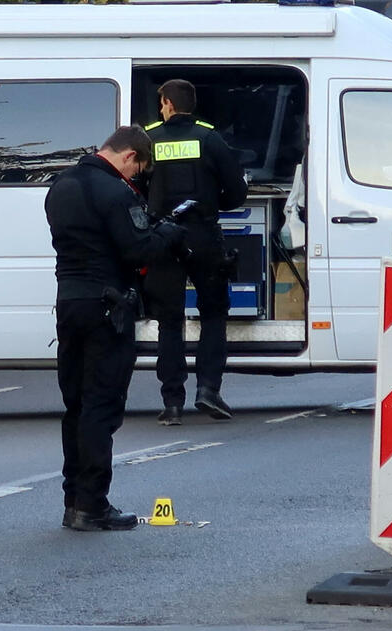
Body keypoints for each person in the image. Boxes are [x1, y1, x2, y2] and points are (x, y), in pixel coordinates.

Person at [45, 125, 185, 531]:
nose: (136, 177)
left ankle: (73, 501)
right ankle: (93, 505)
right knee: (100, 407)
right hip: (108, 307)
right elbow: (138, 248)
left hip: (69, 303)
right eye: (138, 169)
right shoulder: (115, 192)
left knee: (75, 406)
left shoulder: (60, 187)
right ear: (129, 156)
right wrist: (168, 234)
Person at [144, 79, 248, 426]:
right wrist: (213, 203)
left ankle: (172, 402)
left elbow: (134, 188)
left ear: (169, 105)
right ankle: (208, 390)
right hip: (203, 236)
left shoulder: (150, 139)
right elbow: (236, 191)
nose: (161, 109)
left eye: (162, 103)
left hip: (162, 238)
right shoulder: (209, 138)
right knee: (214, 315)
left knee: (169, 322)